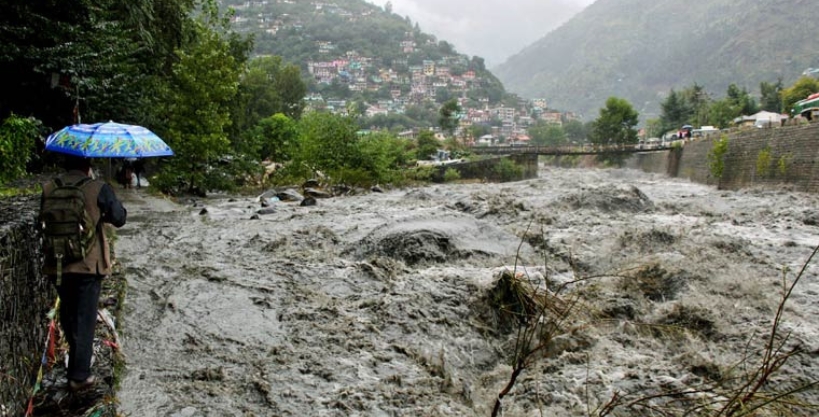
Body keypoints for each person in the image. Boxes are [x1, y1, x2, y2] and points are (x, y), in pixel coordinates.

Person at [40, 156, 127, 392]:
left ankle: (74, 368)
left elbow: (44, 222)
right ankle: (80, 376)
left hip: (57, 264)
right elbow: (119, 218)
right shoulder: (98, 188)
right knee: (85, 319)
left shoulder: (49, 188)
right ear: (88, 166)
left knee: (69, 314)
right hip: (88, 264)